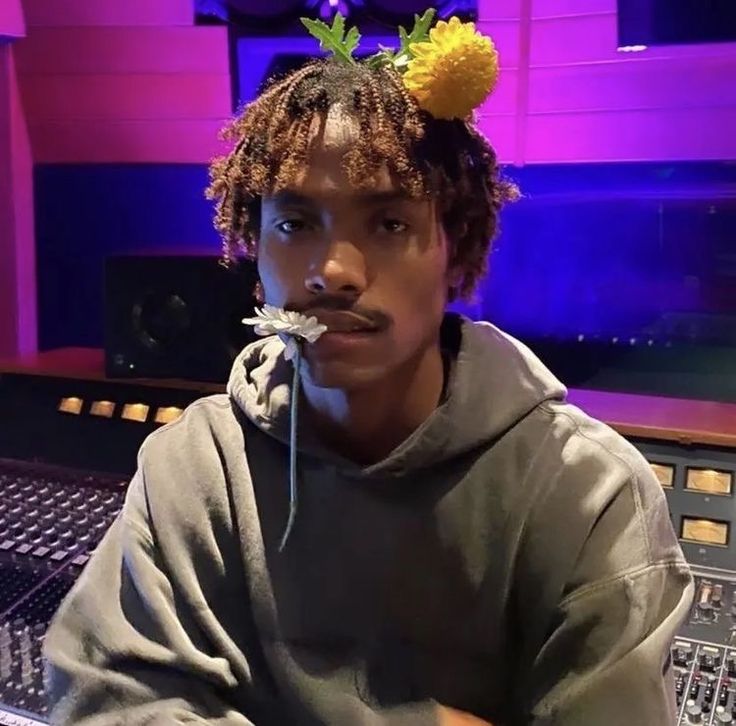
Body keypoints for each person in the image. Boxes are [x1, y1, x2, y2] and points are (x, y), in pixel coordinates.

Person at [43, 11, 693, 726]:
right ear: (251, 255)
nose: (333, 272)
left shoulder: (589, 497)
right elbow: (106, 699)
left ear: (457, 250)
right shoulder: (192, 469)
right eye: (294, 224)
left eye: (388, 224)